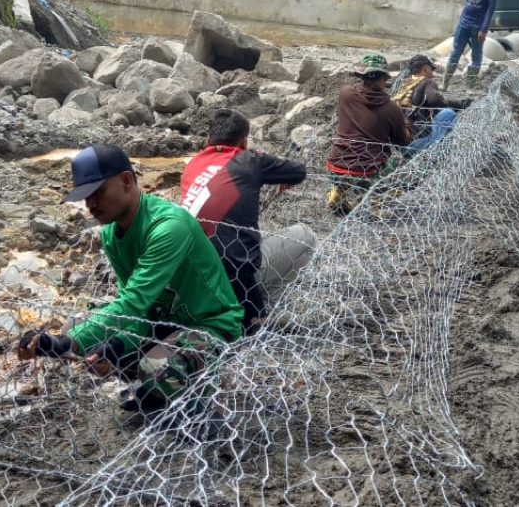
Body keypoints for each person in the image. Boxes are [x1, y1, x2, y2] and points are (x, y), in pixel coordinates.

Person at [16, 144, 243, 415]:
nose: (90, 205)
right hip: (161, 323)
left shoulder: (168, 228)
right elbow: (137, 308)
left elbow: (133, 303)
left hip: (209, 325)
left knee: (155, 370)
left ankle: (195, 399)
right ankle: (155, 384)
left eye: (97, 193)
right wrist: (114, 347)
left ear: (125, 181)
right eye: (85, 197)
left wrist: (68, 345)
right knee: (77, 327)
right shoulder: (112, 234)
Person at [180, 109, 313, 335]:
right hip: (231, 280)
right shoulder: (249, 160)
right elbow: (298, 172)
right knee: (305, 235)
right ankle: (262, 312)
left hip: (190, 278)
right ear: (243, 140)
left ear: (208, 139)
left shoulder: (193, 165)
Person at [325, 53, 410, 214]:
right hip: (367, 170)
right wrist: (405, 125)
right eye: (386, 79)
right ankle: (375, 204)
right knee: (396, 166)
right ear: (381, 79)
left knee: (347, 170)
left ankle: (338, 190)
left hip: (336, 163)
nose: (386, 83)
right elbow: (402, 142)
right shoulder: (392, 109)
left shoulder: (345, 94)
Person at [443, 0, 499, 89]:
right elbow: (469, 0)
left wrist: (484, 29)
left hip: (478, 27)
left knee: (476, 56)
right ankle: (445, 83)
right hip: (464, 22)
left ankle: (470, 86)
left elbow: (490, 8)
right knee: (455, 52)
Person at [394, 53, 472, 152]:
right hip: (419, 142)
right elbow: (435, 100)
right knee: (448, 113)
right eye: (431, 69)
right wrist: (460, 104)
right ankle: (436, 149)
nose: (433, 73)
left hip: (401, 145)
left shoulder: (405, 86)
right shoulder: (427, 82)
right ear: (425, 69)